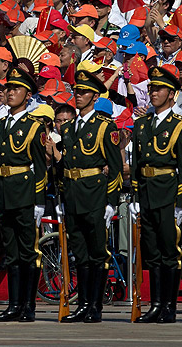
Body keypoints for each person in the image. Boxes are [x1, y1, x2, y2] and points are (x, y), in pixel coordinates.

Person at [57, 69, 123, 323]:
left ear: (94, 96)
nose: (78, 96)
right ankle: (83, 304)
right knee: (80, 253)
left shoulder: (105, 126)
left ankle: (95, 306)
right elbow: (66, 166)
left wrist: (111, 201)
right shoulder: (69, 127)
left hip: (95, 194)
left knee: (97, 253)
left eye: (83, 92)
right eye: (76, 92)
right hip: (73, 196)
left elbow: (115, 166)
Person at [130, 65, 182, 323]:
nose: (153, 93)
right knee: (152, 251)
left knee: (169, 251)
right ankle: (155, 304)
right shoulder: (142, 124)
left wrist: (179, 203)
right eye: (151, 88)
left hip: (167, 193)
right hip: (146, 192)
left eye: (159, 89)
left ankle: (169, 306)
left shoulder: (180, 125)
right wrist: (135, 197)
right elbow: (136, 165)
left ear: (171, 94)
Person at [0, 65, 47, 323]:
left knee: (28, 252)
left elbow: (41, 167)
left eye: (16, 89)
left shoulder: (35, 126)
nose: (10, 93)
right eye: (8, 88)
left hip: (24, 193)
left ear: (28, 95)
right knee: (10, 251)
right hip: (4, 194)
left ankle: (28, 305)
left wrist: (39, 202)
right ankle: (13, 304)